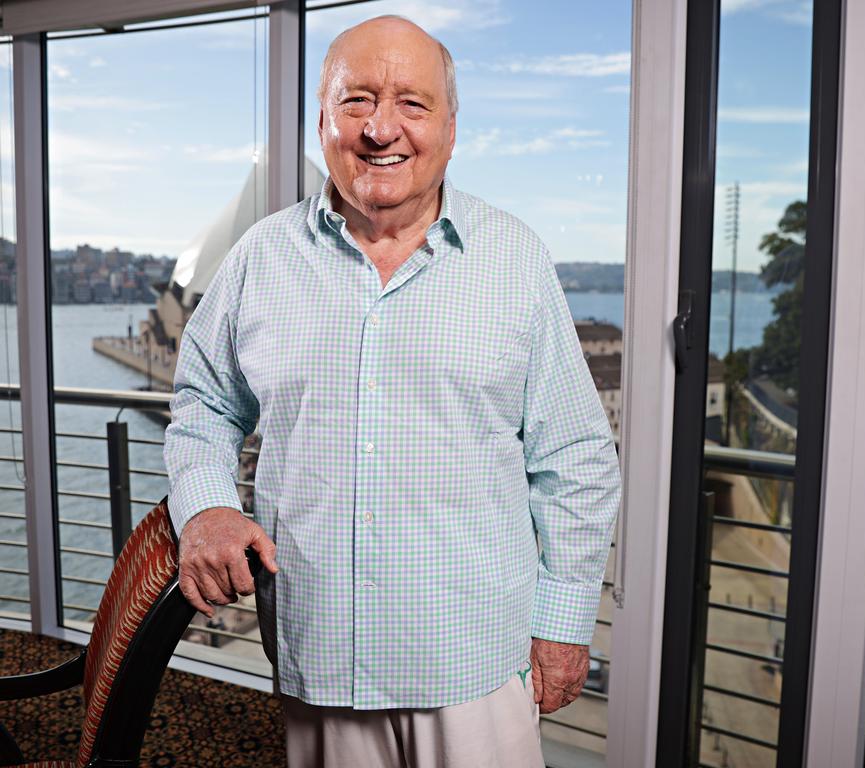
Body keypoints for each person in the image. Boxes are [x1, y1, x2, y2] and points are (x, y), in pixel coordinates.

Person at [164, 15, 621, 767]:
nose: (382, 129)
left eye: (412, 103)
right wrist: (209, 505)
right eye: (357, 101)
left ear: (450, 126)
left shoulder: (515, 260)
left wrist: (565, 622)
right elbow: (204, 405)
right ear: (322, 122)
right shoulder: (259, 259)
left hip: (476, 670)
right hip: (322, 661)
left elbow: (575, 456)